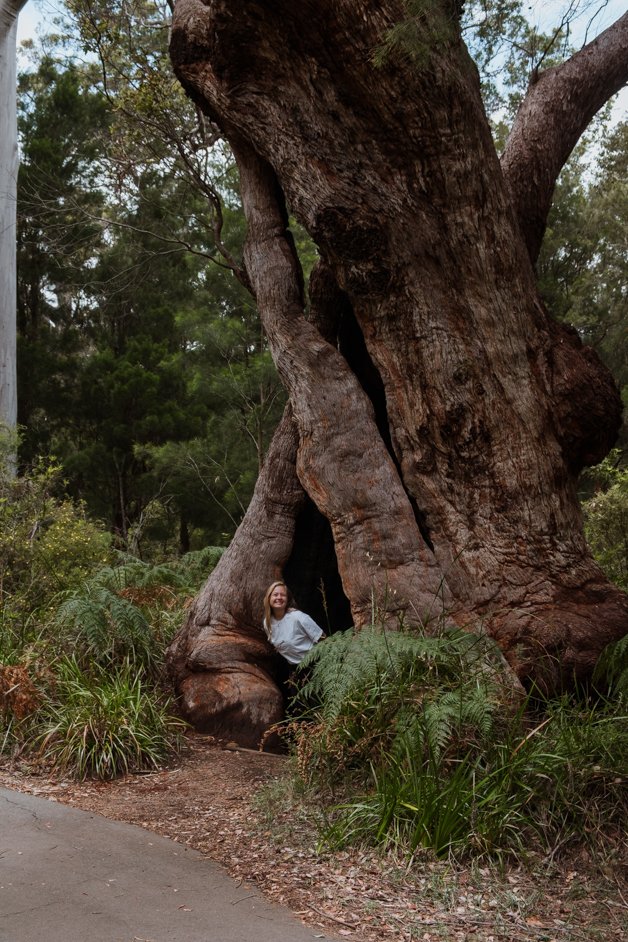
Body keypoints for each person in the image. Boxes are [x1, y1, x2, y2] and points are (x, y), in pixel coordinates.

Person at [262, 580, 325, 668]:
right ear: (269, 598)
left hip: (315, 663)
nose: (279, 597)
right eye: (275, 594)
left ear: (287, 600)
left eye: (283, 595)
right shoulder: (267, 623)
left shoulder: (298, 617)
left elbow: (323, 639)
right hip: (294, 668)